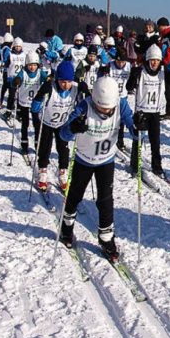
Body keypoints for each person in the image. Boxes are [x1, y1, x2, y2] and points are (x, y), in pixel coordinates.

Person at [58, 77, 135, 258]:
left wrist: (139, 126)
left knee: (105, 200)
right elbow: (63, 134)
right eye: (101, 108)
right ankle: (67, 228)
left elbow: (134, 128)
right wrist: (73, 128)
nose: (106, 112)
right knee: (74, 196)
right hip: (83, 160)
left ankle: (106, 238)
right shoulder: (84, 107)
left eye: (109, 109)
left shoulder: (121, 105)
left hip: (106, 161)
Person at [31, 60, 88, 192]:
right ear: (57, 79)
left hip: (63, 124)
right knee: (45, 147)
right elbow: (34, 108)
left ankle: (63, 172)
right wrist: (40, 96)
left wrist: (86, 91)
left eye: (68, 81)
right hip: (47, 122)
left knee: (63, 149)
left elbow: (87, 104)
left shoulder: (75, 88)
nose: (66, 85)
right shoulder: (50, 87)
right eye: (62, 81)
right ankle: (43, 171)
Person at [126, 44, 170, 178]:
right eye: (152, 60)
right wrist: (132, 76)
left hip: (155, 112)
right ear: (148, 60)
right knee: (138, 140)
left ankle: (157, 167)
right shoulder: (140, 72)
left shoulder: (162, 74)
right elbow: (129, 87)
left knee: (155, 141)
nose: (155, 63)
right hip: (141, 112)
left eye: (157, 60)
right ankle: (135, 165)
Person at [13, 51, 48, 156]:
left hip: (36, 103)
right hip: (24, 102)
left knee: (37, 124)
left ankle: (38, 144)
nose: (32, 67)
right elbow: (17, 78)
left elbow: (46, 79)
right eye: (30, 65)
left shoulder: (40, 72)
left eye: (34, 65)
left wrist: (49, 79)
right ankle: (24, 145)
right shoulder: (23, 72)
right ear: (26, 64)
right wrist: (17, 81)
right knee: (25, 124)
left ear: (37, 65)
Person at [108, 46, 132, 150]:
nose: (121, 64)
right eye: (119, 62)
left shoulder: (128, 66)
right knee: (110, 119)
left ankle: (120, 140)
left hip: (123, 97)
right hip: (111, 97)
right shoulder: (110, 66)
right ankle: (109, 139)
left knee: (121, 120)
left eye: (123, 62)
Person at [2, 38, 26, 120]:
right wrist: (5, 64)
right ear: (14, 46)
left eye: (19, 46)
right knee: (11, 95)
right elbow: (6, 64)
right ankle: (8, 112)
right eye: (16, 46)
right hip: (12, 78)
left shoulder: (24, 55)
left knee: (20, 96)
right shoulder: (10, 55)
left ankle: (19, 113)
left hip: (21, 78)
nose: (18, 48)